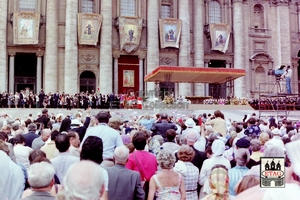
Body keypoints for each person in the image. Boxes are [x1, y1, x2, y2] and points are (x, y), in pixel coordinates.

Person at [126, 131, 157, 199]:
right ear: (145, 143)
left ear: (133, 143)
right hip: (150, 187)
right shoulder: (153, 157)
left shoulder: (130, 157)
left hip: (136, 187)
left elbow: (127, 175)